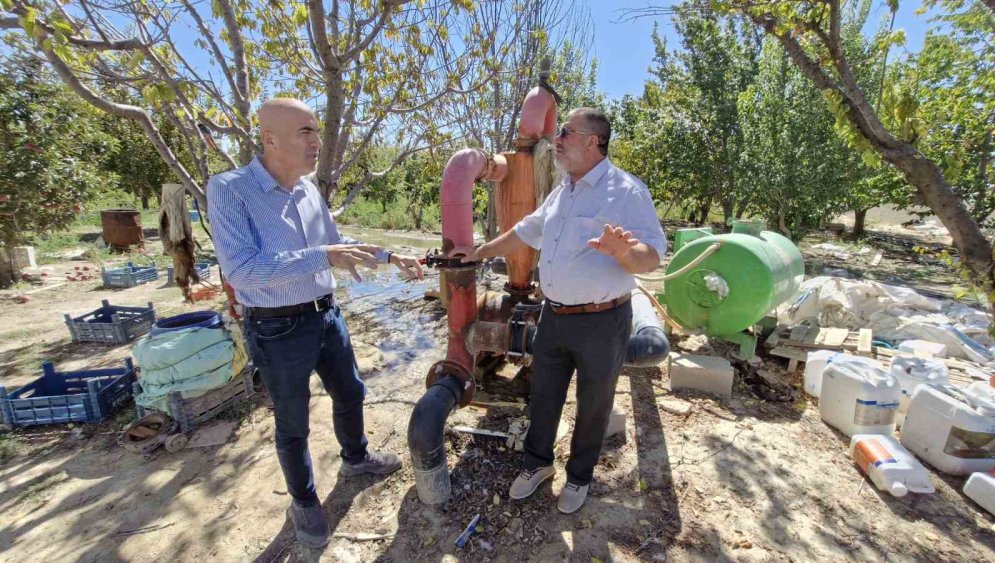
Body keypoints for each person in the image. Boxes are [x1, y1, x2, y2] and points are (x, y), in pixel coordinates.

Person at [207, 98, 423, 548]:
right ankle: (304, 502)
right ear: (270, 140)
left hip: (326, 313)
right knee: (293, 421)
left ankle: (356, 458)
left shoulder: (308, 189)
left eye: (316, 132)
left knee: (351, 391)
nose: (317, 142)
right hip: (275, 326)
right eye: (306, 132)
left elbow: (335, 243)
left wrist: (389, 255)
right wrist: (321, 257)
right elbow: (243, 270)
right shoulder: (229, 189)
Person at [451, 107, 666, 514]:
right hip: (553, 316)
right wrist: (478, 253)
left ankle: (580, 477)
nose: (558, 140)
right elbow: (525, 231)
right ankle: (537, 465)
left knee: (594, 404)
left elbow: (651, 256)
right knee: (544, 395)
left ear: (592, 141)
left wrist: (624, 251)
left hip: (603, 321)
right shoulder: (564, 189)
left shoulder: (626, 191)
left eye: (566, 132)